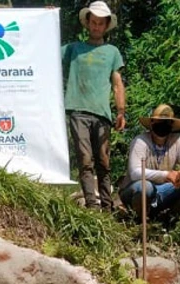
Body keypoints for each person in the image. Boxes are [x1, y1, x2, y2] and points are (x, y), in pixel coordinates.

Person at [62, 1, 126, 211]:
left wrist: (121, 112)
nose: (97, 27)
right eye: (94, 22)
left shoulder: (112, 52)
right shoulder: (73, 49)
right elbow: (47, 51)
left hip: (102, 114)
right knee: (85, 159)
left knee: (104, 162)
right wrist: (48, 19)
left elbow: (117, 83)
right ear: (87, 23)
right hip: (78, 110)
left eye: (101, 23)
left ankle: (107, 206)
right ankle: (92, 205)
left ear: (106, 26)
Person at [119, 104, 180, 225]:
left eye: (167, 123)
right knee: (146, 187)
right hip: (136, 191)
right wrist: (166, 175)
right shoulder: (141, 141)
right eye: (160, 122)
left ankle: (171, 218)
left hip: (163, 191)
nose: (163, 125)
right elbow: (135, 172)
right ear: (152, 122)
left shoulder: (177, 141)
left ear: (172, 125)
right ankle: (139, 218)